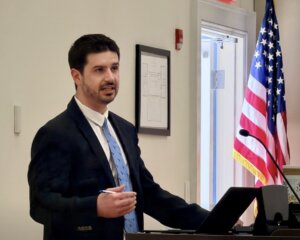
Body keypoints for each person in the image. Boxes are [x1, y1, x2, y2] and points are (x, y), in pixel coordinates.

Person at [28, 34, 210, 240]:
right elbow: (41, 204)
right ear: (76, 76)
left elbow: (148, 194)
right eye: (99, 70)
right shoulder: (56, 133)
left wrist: (213, 221)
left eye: (114, 68)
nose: (110, 77)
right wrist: (94, 207)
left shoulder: (125, 129)